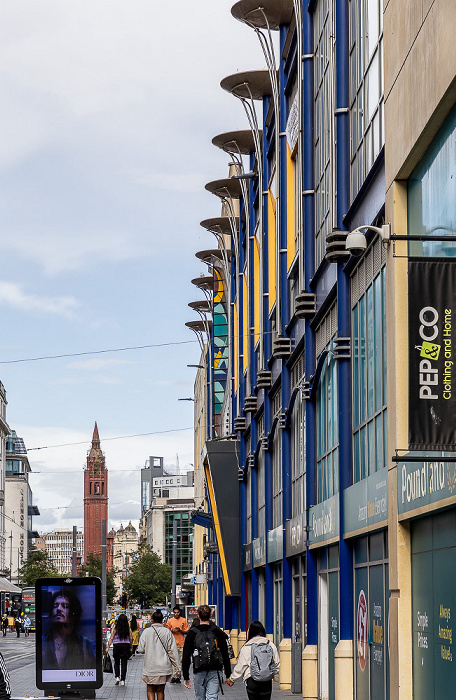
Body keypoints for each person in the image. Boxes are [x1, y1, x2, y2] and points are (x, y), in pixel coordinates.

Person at [182, 605, 231, 700]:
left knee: (200, 697)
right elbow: (225, 654)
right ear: (211, 615)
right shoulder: (217, 632)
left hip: (199, 669)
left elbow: (186, 656)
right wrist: (228, 674)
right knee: (212, 697)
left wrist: (186, 676)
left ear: (198, 616)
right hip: (215, 669)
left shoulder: (192, 633)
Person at [42, 589, 96, 670]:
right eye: (55, 606)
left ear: (74, 614)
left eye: (65, 606)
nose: (59, 609)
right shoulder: (42, 643)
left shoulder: (88, 647)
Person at [225, 621, 279, 700]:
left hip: (251, 681)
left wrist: (232, 679)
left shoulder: (247, 646)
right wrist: (271, 674)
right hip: (266, 682)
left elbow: (241, 666)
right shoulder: (270, 645)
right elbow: (276, 664)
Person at [137, 609, 180, 700]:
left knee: (150, 690)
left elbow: (140, 649)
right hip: (163, 666)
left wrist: (149, 648)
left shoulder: (146, 632)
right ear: (162, 620)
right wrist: (178, 668)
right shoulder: (167, 632)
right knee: (160, 691)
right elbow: (172, 652)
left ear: (152, 619)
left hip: (150, 666)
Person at [106, 613, 133, 686]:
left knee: (116, 662)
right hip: (125, 646)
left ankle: (117, 677)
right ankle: (123, 680)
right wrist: (131, 646)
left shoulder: (115, 628)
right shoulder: (128, 628)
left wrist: (108, 647)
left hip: (117, 645)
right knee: (124, 664)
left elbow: (111, 638)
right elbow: (131, 638)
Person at [165, 606, 189, 683]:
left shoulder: (183, 620)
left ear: (180, 612)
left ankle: (178, 675)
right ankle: (174, 676)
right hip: (173, 643)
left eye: (177, 612)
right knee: (173, 661)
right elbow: (167, 631)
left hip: (182, 643)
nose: (176, 614)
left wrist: (180, 630)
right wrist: (172, 630)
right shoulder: (170, 621)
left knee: (181, 661)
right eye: (175, 612)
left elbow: (187, 631)